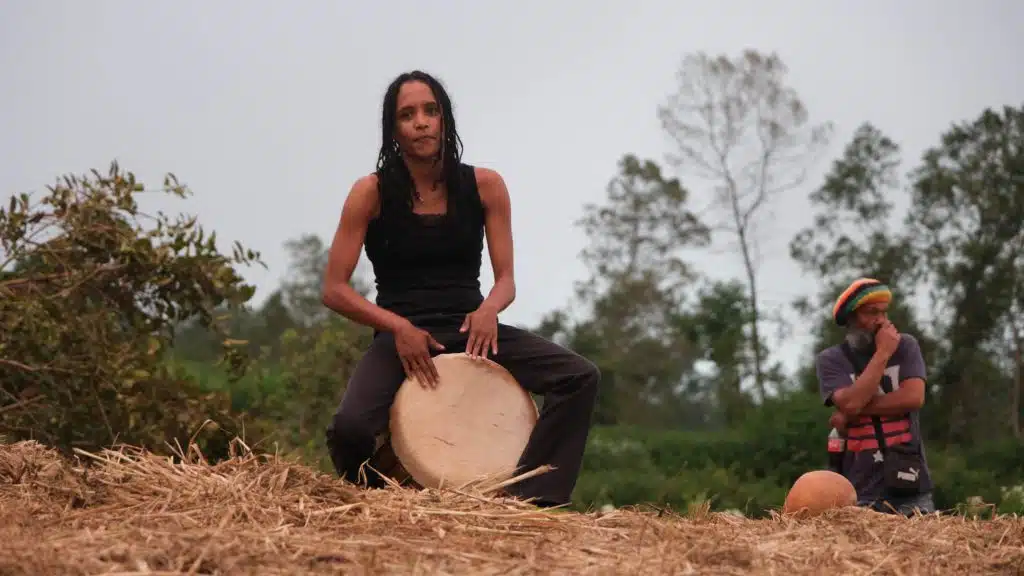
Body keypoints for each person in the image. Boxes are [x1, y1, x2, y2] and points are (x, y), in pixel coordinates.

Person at [319, 70, 600, 509]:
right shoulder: (369, 193)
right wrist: (397, 327)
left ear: (445, 118)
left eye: (431, 111)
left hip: (472, 329)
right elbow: (334, 289)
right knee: (349, 429)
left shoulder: (486, 186)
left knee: (579, 377)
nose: (422, 122)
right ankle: (379, 501)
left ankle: (528, 502)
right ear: (393, 129)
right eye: (407, 114)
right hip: (402, 338)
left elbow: (506, 278)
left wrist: (490, 308)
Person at [815, 278, 936, 516]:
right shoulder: (831, 360)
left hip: (910, 484)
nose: (880, 320)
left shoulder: (906, 346)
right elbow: (850, 402)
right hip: (859, 490)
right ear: (851, 318)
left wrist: (852, 409)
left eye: (883, 313)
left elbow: (914, 398)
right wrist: (882, 353)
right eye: (871, 313)